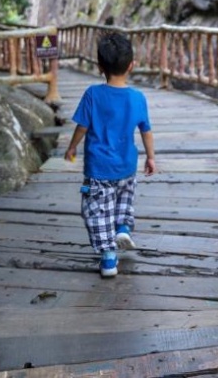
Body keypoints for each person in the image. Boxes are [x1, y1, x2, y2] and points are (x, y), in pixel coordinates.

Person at [64, 32, 156, 278]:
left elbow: (82, 126)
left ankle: (108, 258)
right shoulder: (138, 98)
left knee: (97, 211)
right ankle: (123, 227)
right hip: (127, 165)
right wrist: (151, 157)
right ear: (131, 66)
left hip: (99, 170)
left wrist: (72, 147)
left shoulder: (93, 95)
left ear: (100, 67)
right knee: (123, 199)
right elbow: (146, 131)